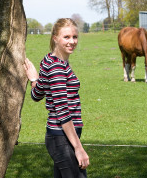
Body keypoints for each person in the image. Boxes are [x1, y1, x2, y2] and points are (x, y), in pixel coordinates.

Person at [23, 18, 89, 178]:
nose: (72, 41)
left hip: (62, 136)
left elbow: (37, 94)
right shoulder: (57, 67)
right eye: (66, 37)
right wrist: (78, 148)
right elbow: (62, 111)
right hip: (62, 138)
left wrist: (34, 80)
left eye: (74, 37)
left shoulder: (50, 61)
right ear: (55, 38)